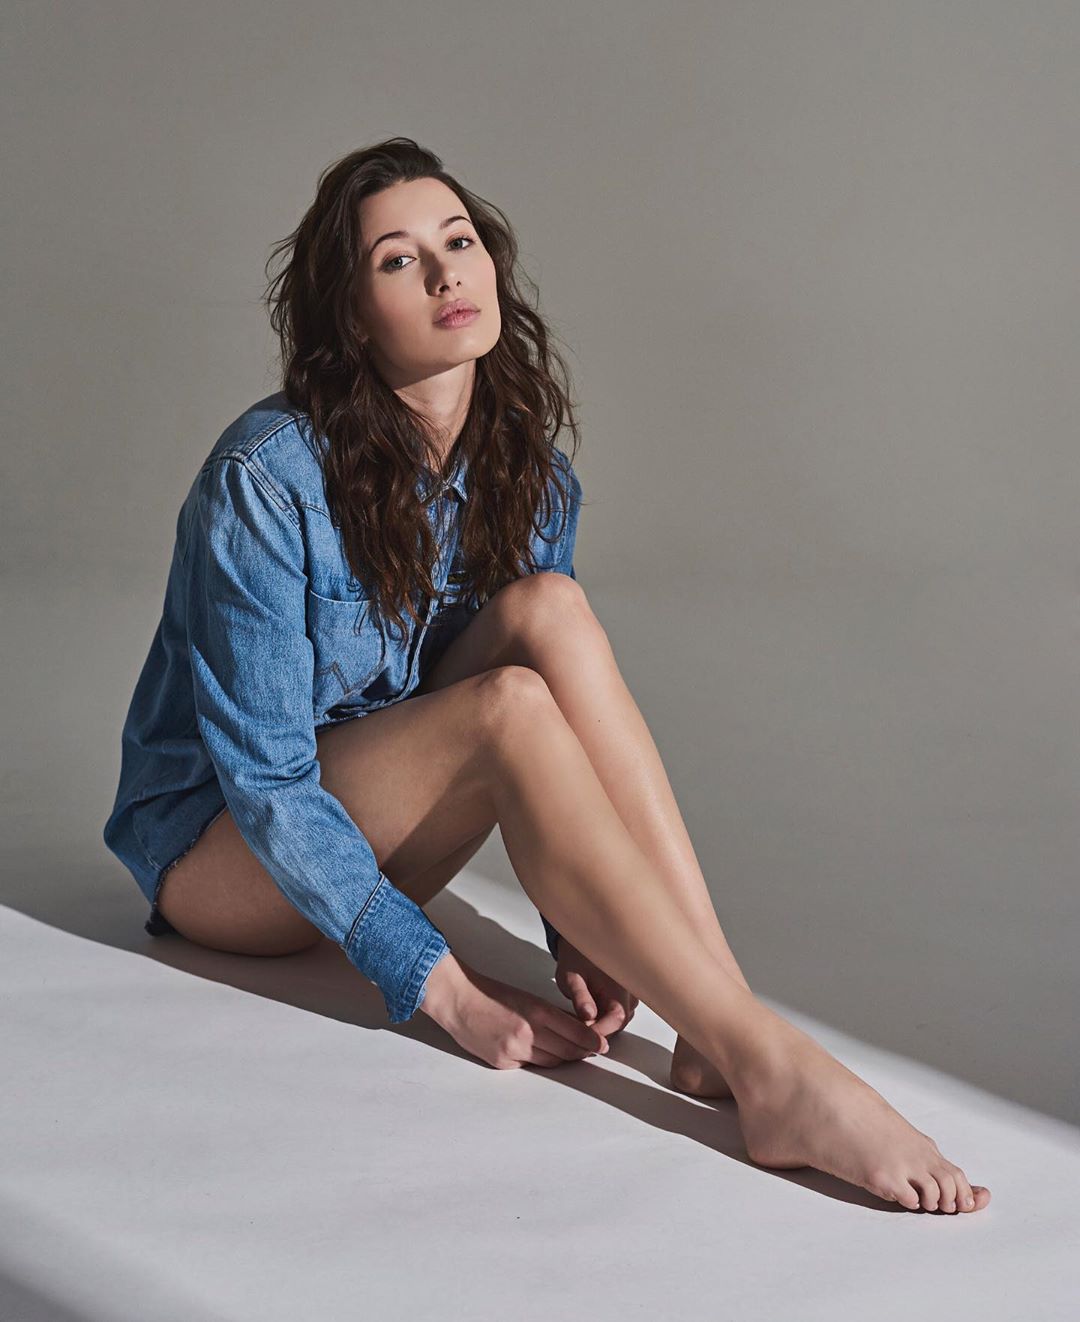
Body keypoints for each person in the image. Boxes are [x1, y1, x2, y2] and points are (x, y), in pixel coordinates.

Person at [103, 137, 989, 1215]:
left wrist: (581, 931)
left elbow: (542, 717)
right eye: (398, 260)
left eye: (459, 241)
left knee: (550, 612)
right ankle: (772, 1066)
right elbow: (273, 784)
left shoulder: (528, 472)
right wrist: (445, 991)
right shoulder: (266, 478)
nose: (445, 273)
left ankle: (717, 1023)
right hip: (222, 851)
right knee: (505, 706)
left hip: (376, 808)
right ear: (353, 315)